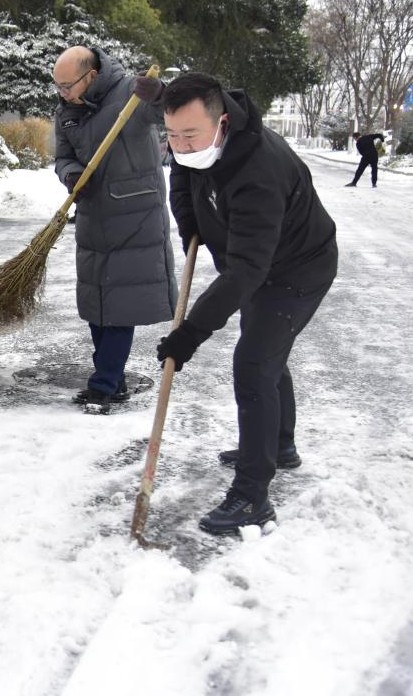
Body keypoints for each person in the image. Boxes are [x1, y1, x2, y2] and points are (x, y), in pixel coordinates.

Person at [149, 72, 337, 535]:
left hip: (297, 269)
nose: (181, 145)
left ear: (222, 120)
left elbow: (247, 272)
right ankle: (280, 444)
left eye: (190, 135)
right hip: (257, 264)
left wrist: (189, 334)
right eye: (171, 135)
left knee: (254, 363)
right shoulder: (192, 146)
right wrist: (190, 221)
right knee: (267, 355)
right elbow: (183, 179)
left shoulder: (260, 169)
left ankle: (253, 495)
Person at [51, 46, 177, 412]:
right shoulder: (67, 112)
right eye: (57, 86)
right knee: (97, 305)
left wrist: (162, 95)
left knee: (121, 306)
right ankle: (114, 379)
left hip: (135, 215)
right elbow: (62, 158)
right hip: (93, 216)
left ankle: (104, 384)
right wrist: (71, 174)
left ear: (91, 75)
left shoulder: (130, 94)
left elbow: (167, 114)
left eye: (66, 85)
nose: (62, 93)